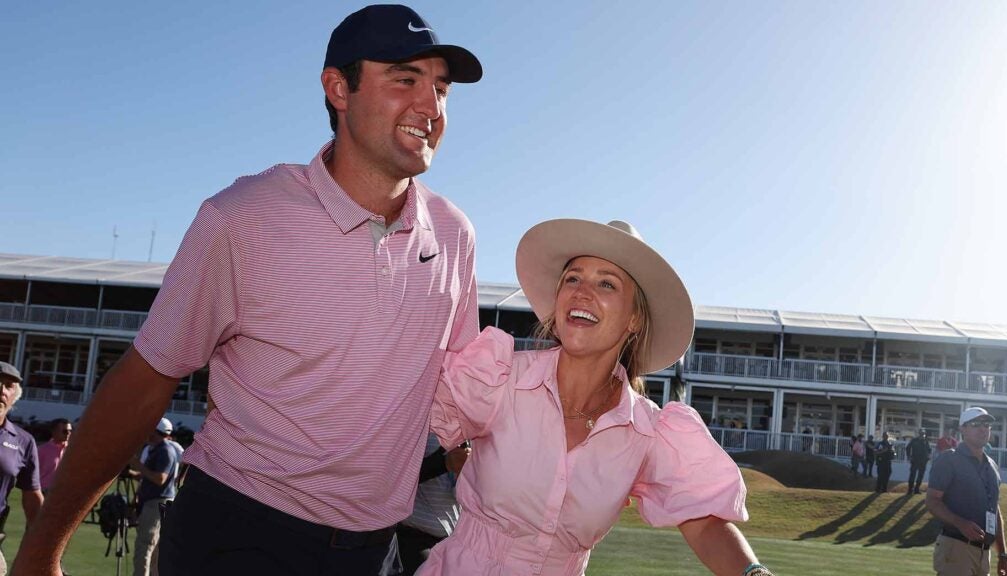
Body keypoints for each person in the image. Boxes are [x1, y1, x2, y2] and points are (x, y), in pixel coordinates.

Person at [12, 5, 483, 576]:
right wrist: (42, 547)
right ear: (338, 87)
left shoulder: (455, 234)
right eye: (405, 79)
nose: (431, 107)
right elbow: (143, 381)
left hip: (375, 547)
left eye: (442, 89)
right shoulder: (243, 217)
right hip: (238, 531)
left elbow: (467, 395)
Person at [419, 219, 774, 576]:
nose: (582, 292)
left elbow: (704, 523)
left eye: (607, 283)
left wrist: (755, 574)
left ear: (634, 319)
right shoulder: (498, 377)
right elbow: (408, 415)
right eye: (573, 278)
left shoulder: (649, 433)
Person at [926, 407, 1007, 576]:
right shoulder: (949, 459)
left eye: (986, 424)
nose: (983, 428)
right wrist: (960, 523)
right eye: (975, 424)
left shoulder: (992, 466)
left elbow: (994, 511)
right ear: (962, 429)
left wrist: (1002, 554)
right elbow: (932, 501)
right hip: (956, 547)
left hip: (984, 553)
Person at [396, 434, 468, 573]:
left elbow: (459, 496)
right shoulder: (415, 425)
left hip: (449, 542)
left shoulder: (463, 433)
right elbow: (397, 479)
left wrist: (463, 471)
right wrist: (444, 463)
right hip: (413, 539)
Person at [0, 362, 44, 576]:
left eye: (8, 385)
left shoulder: (24, 442)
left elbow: (33, 500)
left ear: (14, 395)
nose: (1, 390)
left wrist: (48, 549)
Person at [129, 418, 180, 576]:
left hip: (156, 502)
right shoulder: (161, 449)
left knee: (144, 546)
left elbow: (160, 479)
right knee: (155, 550)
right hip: (157, 501)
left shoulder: (164, 450)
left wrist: (139, 466)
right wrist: (133, 473)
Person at [37, 418, 72, 494]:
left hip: (65, 491)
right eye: (65, 431)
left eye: (70, 431)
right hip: (44, 491)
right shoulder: (42, 450)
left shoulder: (72, 450)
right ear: (54, 431)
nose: (68, 434)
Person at [906, 428, 931, 495]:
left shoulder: (926, 441)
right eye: (921, 433)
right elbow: (908, 448)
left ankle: (917, 489)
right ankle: (910, 490)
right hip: (915, 460)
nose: (923, 435)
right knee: (912, 475)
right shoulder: (914, 440)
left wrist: (928, 456)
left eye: (924, 433)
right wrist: (909, 456)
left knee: (920, 475)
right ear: (919, 433)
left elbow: (929, 450)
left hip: (923, 461)